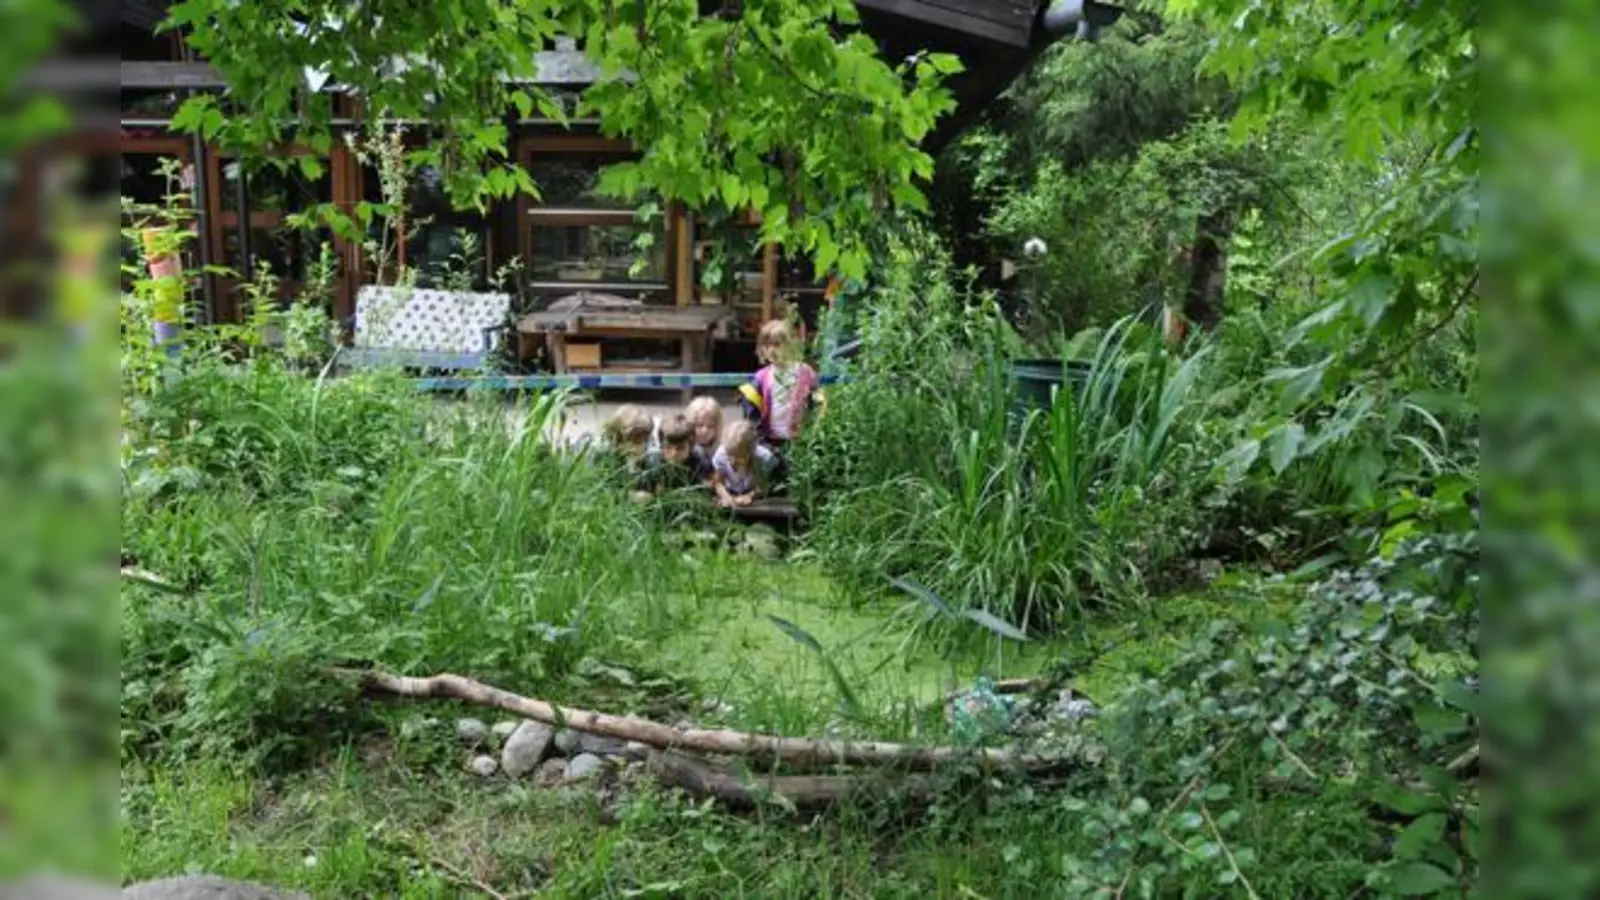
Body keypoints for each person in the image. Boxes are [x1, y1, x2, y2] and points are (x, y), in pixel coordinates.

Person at [739, 319, 819, 486]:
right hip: (770, 439)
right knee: (772, 477)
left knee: (798, 479)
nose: (771, 350)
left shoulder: (805, 372)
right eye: (766, 345)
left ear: (790, 345)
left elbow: (817, 401)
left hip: (799, 438)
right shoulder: (761, 377)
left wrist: (812, 428)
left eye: (777, 344)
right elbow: (751, 410)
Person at [711, 420, 775, 508]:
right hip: (732, 490)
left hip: (755, 495)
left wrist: (750, 496)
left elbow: (764, 485)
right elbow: (718, 482)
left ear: (750, 451)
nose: (733, 461)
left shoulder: (762, 457)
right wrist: (725, 496)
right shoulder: (721, 455)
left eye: (738, 457)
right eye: (730, 455)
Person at [683, 395, 723, 483]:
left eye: (711, 426)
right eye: (700, 425)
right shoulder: (685, 447)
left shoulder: (720, 449)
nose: (705, 431)